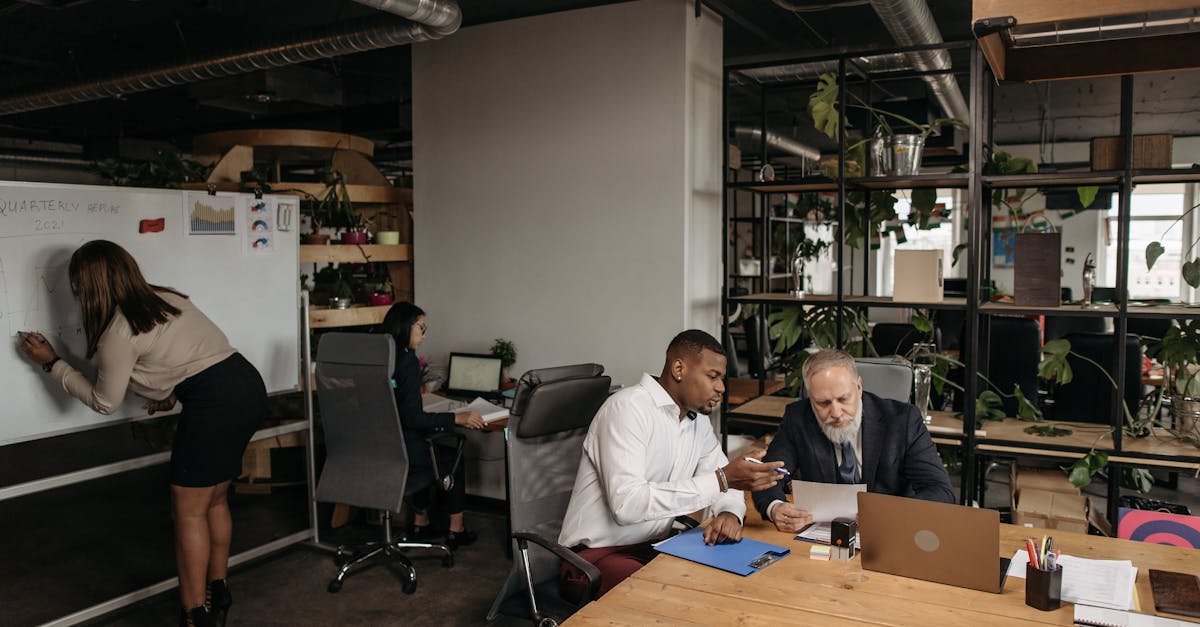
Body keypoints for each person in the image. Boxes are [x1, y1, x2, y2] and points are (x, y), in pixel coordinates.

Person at [19, 240, 265, 627]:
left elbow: (105, 401)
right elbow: (179, 362)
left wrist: (53, 364)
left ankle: (194, 615)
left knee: (187, 512)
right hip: (247, 385)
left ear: (89, 287)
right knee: (215, 498)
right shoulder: (165, 298)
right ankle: (219, 591)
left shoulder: (120, 329)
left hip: (214, 404)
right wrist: (165, 395)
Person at [557, 329, 784, 601]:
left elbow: (726, 479)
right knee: (677, 599)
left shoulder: (696, 422)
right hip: (592, 560)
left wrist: (729, 514)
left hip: (655, 548)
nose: (721, 387)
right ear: (679, 368)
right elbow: (627, 506)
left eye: (721, 379)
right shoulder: (627, 409)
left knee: (732, 585)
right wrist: (722, 480)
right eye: (713, 377)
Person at [752, 349, 954, 534]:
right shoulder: (798, 418)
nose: (836, 413)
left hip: (891, 534)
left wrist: (891, 515)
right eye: (823, 403)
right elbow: (767, 476)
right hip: (822, 537)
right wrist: (775, 507)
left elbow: (939, 490)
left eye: (843, 399)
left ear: (858, 387)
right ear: (810, 398)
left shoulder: (903, 420)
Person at [380, 301, 484, 549]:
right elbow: (413, 418)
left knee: (423, 442)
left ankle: (420, 522)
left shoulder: (381, 357)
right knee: (453, 456)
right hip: (404, 450)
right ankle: (455, 530)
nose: (424, 336)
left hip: (379, 448)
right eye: (421, 328)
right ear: (406, 326)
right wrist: (456, 418)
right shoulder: (406, 361)